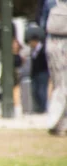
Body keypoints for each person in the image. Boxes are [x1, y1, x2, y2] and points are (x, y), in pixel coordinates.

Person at [41, 0, 67, 136]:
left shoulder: (49, 3)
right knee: (63, 87)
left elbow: (42, 24)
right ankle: (56, 121)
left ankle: (57, 121)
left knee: (59, 85)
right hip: (63, 45)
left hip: (52, 44)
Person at [28, 30, 49, 114]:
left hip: (43, 73)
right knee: (34, 90)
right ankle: (38, 107)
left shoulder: (43, 49)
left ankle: (43, 108)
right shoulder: (33, 51)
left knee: (42, 90)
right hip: (35, 73)